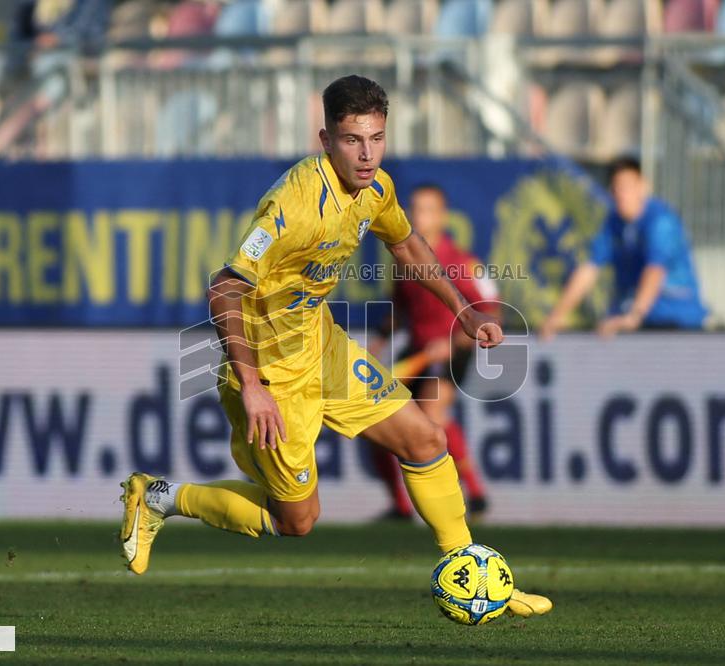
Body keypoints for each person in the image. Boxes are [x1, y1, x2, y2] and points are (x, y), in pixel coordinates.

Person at [119, 75, 550, 619]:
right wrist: (251, 384)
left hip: (322, 346)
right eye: (352, 140)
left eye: (377, 138)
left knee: (424, 438)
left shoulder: (376, 188)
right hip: (271, 369)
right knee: (296, 520)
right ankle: (157, 496)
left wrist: (460, 307)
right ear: (326, 140)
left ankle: (473, 571)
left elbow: (406, 241)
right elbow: (224, 286)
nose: (367, 154)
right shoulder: (292, 203)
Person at [370, 184, 497, 521]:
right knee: (372, 421)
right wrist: (378, 344)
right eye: (414, 208)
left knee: (428, 419)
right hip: (419, 350)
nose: (418, 216)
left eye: (427, 209)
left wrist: (455, 342)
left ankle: (475, 493)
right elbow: (400, 307)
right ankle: (400, 507)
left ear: (442, 216)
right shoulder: (404, 259)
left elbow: (491, 311)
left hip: (453, 351)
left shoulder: (464, 262)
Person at [540, 156, 709, 339]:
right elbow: (589, 268)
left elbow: (655, 270)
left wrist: (634, 315)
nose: (621, 194)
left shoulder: (661, 221)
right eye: (616, 188)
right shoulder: (611, 224)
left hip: (676, 321)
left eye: (627, 187)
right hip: (637, 321)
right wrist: (556, 316)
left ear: (643, 186)